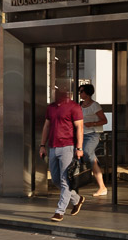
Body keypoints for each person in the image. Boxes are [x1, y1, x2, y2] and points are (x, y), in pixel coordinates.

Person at [39, 88, 84, 222]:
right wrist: (42, 145)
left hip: (67, 147)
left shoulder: (74, 107)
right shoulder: (51, 108)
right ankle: (77, 199)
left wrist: (79, 147)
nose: (53, 95)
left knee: (65, 180)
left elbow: (79, 128)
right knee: (55, 179)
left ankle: (59, 211)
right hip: (53, 146)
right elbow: (46, 126)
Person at [77, 84, 109, 198]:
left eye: (81, 91)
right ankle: (102, 187)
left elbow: (104, 120)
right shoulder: (80, 105)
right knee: (91, 158)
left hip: (93, 134)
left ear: (87, 92)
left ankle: (101, 186)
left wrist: (93, 124)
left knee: (86, 151)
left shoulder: (95, 105)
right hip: (82, 134)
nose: (80, 93)